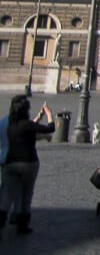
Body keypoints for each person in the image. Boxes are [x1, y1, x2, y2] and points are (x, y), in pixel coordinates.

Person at [0, 96, 54, 236]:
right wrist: (48, 114)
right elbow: (49, 128)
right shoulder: (27, 125)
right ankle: (22, 226)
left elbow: (29, 127)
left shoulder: (10, 124)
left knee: (7, 195)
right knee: (26, 194)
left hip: (10, 163)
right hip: (28, 163)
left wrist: (38, 116)